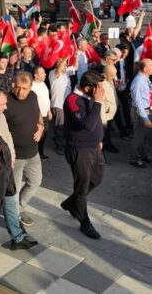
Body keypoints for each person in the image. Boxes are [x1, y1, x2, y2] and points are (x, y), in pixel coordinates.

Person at [0, 88, 38, 250]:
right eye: (3, 104)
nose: (6, 107)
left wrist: (12, 158)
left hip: (6, 168)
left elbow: (8, 138)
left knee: (10, 202)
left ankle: (18, 238)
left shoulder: (0, 116)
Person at [61, 70, 105, 239]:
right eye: (98, 88)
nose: (101, 91)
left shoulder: (89, 98)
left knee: (96, 178)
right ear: (88, 88)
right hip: (80, 150)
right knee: (82, 187)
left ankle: (71, 203)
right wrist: (98, 102)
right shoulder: (72, 100)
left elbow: (95, 123)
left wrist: (99, 139)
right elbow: (87, 124)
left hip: (94, 147)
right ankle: (84, 221)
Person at [3, 72, 44, 227]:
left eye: (24, 88)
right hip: (16, 157)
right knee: (14, 190)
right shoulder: (6, 101)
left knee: (35, 182)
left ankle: (18, 208)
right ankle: (13, 217)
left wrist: (41, 127)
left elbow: (38, 114)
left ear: (30, 87)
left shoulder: (33, 96)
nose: (20, 91)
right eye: (17, 87)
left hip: (33, 153)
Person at [129, 59, 152, 168]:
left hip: (148, 110)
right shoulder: (138, 81)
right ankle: (135, 158)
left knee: (147, 136)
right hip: (141, 112)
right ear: (145, 69)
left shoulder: (146, 79)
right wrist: (145, 118)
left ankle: (143, 155)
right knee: (139, 137)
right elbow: (138, 101)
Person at [49, 57, 75, 156]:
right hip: (58, 104)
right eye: (65, 64)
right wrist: (66, 57)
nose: (66, 66)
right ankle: (59, 146)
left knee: (65, 125)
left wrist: (75, 56)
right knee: (59, 126)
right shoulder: (53, 73)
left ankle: (60, 141)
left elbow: (75, 67)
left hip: (66, 103)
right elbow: (59, 68)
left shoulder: (66, 73)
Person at [32, 66, 52, 161]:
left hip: (46, 114)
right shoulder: (32, 86)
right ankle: (35, 154)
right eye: (42, 73)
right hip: (37, 116)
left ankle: (41, 153)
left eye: (44, 72)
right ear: (36, 75)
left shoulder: (43, 84)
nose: (45, 74)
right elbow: (33, 102)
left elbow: (46, 98)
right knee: (37, 135)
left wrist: (49, 110)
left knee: (45, 134)